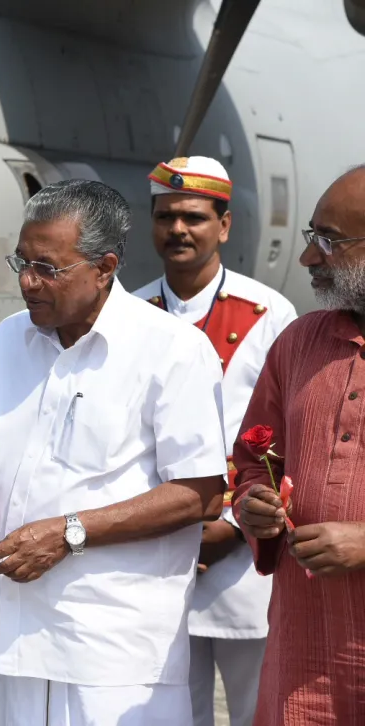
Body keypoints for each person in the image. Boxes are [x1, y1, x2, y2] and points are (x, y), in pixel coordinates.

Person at [0, 179, 228, 726]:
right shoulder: (10, 338)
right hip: (14, 637)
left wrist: (69, 532)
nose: (28, 282)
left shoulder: (171, 349)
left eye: (48, 268)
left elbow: (199, 494)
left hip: (112, 649)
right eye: (22, 262)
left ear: (104, 268)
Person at [133, 156, 297, 726]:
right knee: (170, 709)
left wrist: (231, 527)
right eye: (166, 216)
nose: (178, 229)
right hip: (158, 546)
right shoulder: (130, 314)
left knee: (260, 707)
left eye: (194, 217)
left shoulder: (270, 313)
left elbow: (284, 429)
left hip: (244, 553)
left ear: (223, 226)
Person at [234, 165, 365, 725]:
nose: (309, 257)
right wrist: (254, 506)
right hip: (303, 653)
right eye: (313, 237)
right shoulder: (298, 343)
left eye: (328, 241)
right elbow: (251, 464)